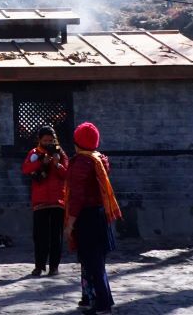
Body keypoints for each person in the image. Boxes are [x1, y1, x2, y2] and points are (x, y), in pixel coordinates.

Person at [65, 122, 121, 315]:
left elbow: (77, 196)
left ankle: (103, 303)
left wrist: (70, 222)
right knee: (93, 261)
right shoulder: (100, 159)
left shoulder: (81, 163)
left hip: (86, 216)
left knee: (93, 262)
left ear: (77, 142)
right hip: (99, 214)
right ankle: (89, 298)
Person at [22, 124, 69, 278]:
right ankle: (39, 266)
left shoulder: (60, 153)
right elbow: (26, 169)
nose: (48, 143)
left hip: (57, 200)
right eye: (45, 140)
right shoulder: (34, 153)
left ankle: (54, 266)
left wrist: (57, 163)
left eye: (51, 140)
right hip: (40, 201)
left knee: (56, 236)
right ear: (40, 140)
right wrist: (43, 162)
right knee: (40, 235)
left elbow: (67, 174)